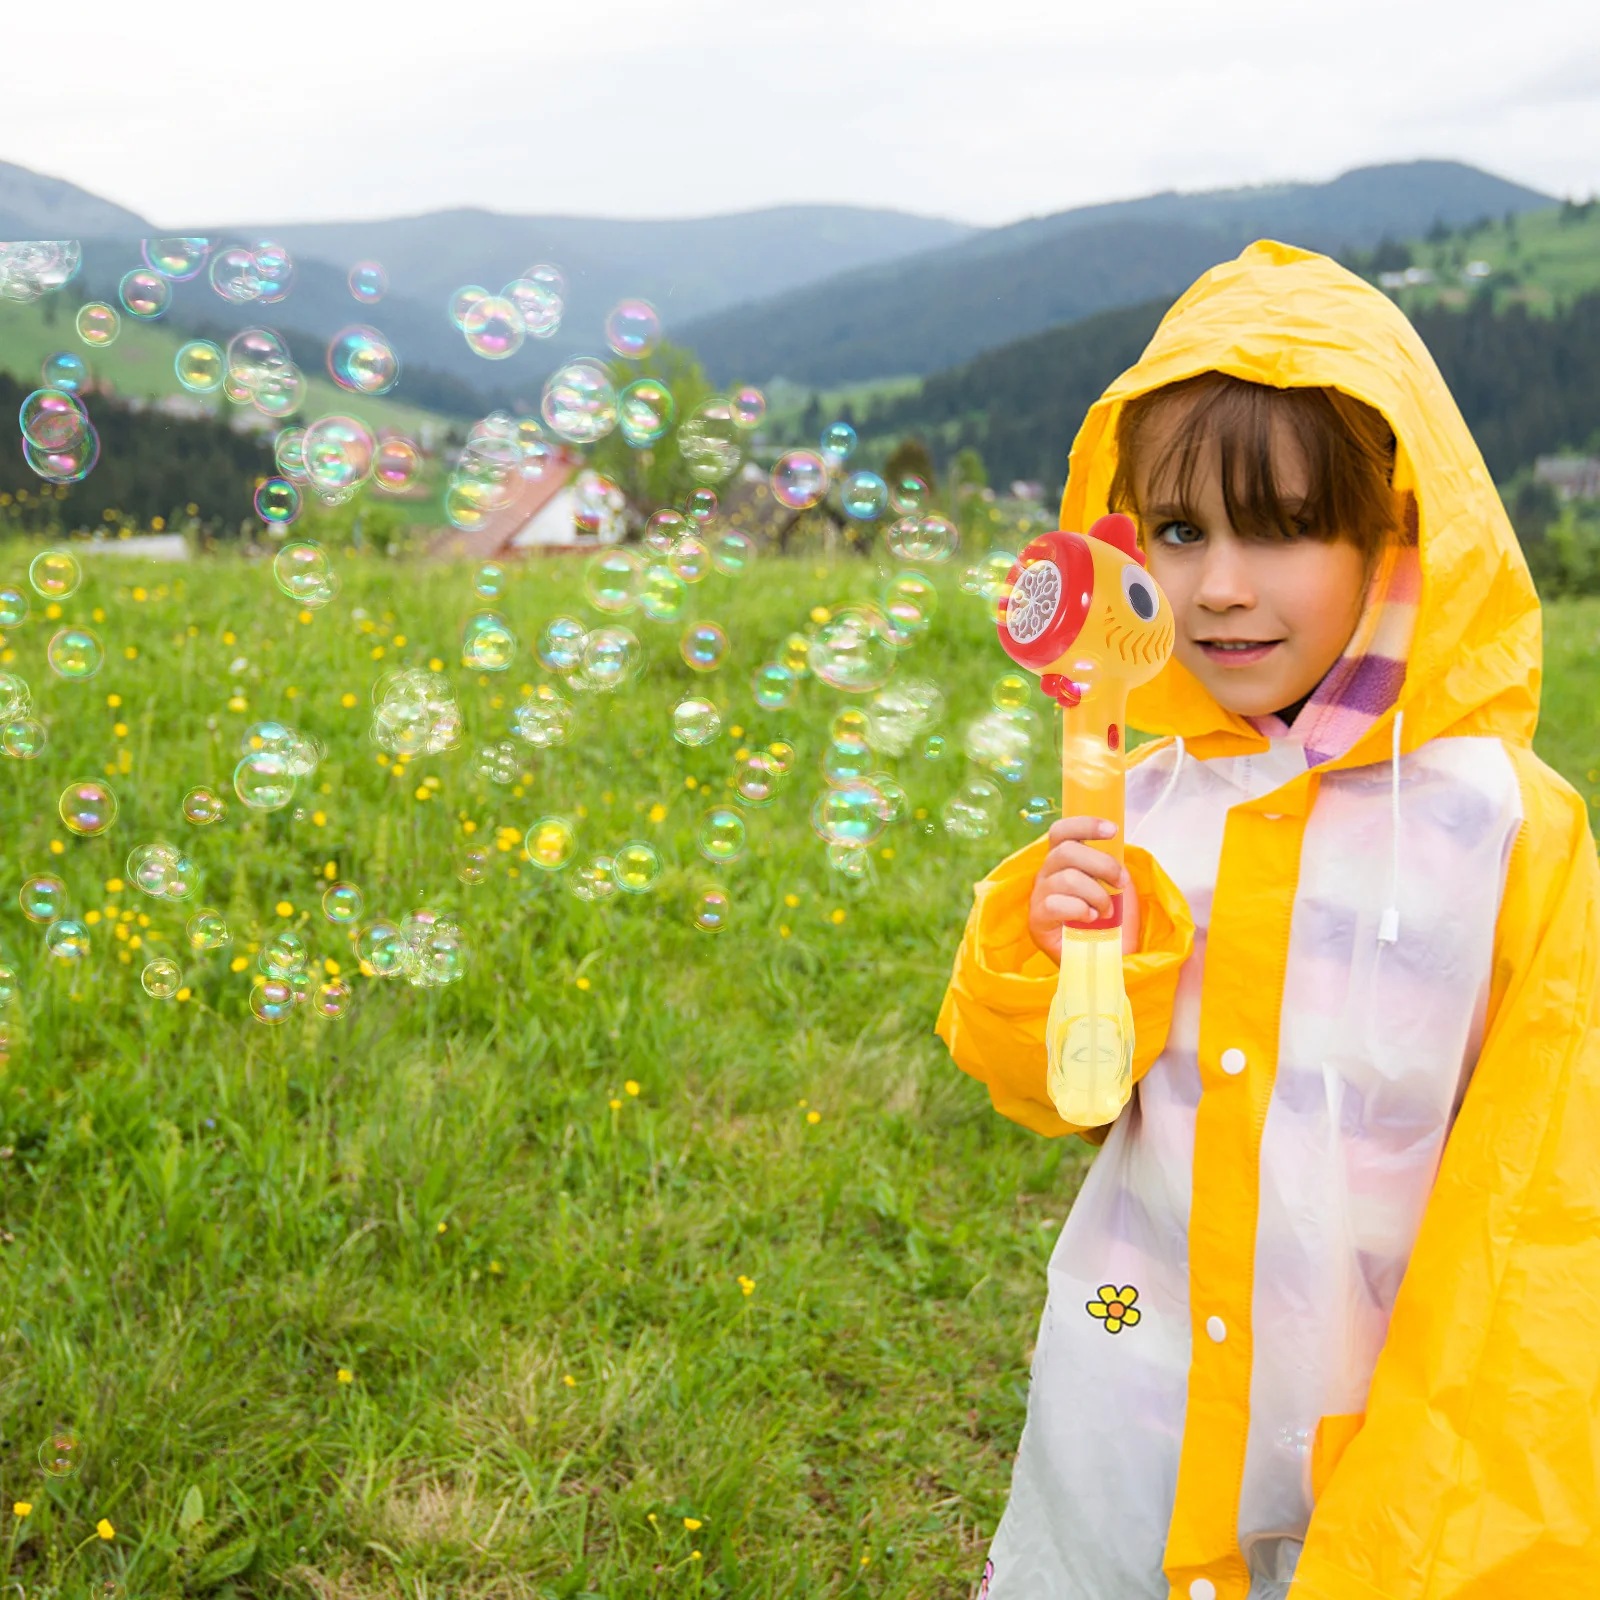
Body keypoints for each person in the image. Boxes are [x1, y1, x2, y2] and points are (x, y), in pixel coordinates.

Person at [938, 240, 1600, 1600]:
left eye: (1286, 527)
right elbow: (1061, 1094)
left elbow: (1547, 1167)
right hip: (1139, 1344)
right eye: (1178, 535)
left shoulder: (1501, 828)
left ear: (1395, 534)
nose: (1221, 586)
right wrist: (1045, 958)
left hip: (1376, 1373)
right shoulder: (1145, 794)